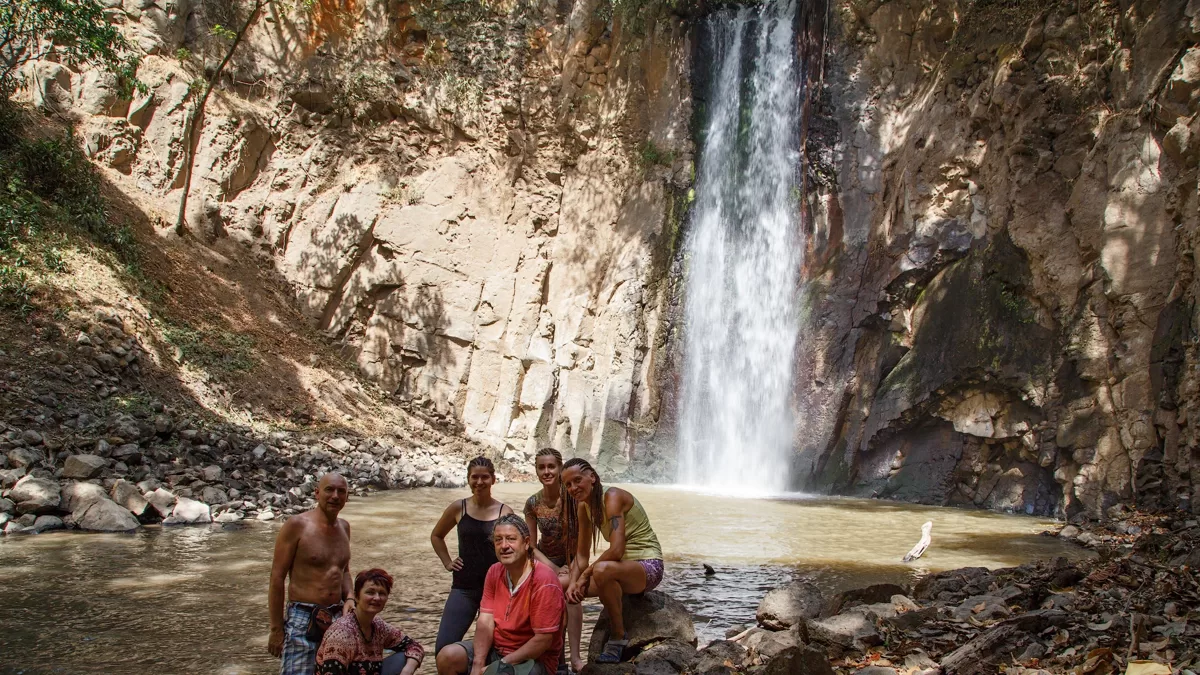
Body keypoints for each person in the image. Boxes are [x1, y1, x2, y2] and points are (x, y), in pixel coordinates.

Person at [562, 458, 664, 664]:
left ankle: (618, 637)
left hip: (647, 566)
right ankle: (558, 658)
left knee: (600, 570)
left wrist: (585, 575)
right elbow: (581, 555)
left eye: (577, 480)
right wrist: (574, 582)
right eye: (568, 484)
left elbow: (616, 550)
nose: (573, 487)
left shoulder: (613, 496)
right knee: (559, 585)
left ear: (592, 477)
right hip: (617, 570)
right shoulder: (584, 507)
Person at [436, 514, 566, 675]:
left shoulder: (544, 580)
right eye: (498, 540)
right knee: (447, 657)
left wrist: (501, 664)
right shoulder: (494, 571)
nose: (504, 546)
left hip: (534, 660)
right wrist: (478, 664)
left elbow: (543, 641)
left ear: (526, 543)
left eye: (511, 539)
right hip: (497, 650)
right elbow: (485, 621)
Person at [269, 472, 355, 675]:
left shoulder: (344, 527)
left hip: (337, 617)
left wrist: (350, 597)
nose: (335, 496)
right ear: (317, 493)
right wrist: (276, 629)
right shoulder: (296, 525)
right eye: (329, 490)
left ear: (347, 497)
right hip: (302, 617)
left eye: (341, 492)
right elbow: (277, 578)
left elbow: (344, 571)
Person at [431, 456, 514, 654]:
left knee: (498, 649)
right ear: (468, 479)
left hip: (497, 588)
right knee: (443, 647)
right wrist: (447, 562)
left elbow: (515, 547)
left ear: (493, 480)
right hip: (464, 586)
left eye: (484, 477)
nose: (479, 482)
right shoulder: (459, 507)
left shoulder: (504, 511)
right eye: (474, 477)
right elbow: (436, 536)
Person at [523, 449, 584, 673]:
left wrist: (571, 567)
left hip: (574, 558)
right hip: (544, 561)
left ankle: (575, 657)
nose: (547, 471)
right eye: (542, 467)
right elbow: (528, 545)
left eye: (551, 466)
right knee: (552, 588)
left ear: (560, 469)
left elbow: (583, 542)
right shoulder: (532, 503)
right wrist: (554, 568)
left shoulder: (573, 498)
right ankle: (556, 661)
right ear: (537, 471)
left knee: (570, 593)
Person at [315, 568, 425, 675]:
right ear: (357, 597)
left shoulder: (379, 626)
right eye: (370, 592)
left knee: (404, 658)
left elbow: (414, 646)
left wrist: (407, 671)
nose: (377, 598)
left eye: (382, 593)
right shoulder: (340, 635)